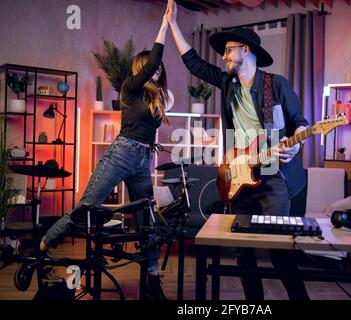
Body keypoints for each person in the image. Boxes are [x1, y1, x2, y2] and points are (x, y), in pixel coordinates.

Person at [166, 2, 310, 300]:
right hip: (239, 176)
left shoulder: (276, 85)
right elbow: (193, 63)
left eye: (228, 49)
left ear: (245, 50)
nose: (223, 55)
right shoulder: (227, 81)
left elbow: (301, 124)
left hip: (273, 177)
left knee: (279, 249)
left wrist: (296, 147)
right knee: (243, 250)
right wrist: (172, 25)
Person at [38, 1, 173, 300]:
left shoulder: (157, 98)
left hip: (142, 159)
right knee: (87, 207)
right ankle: (46, 243)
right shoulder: (129, 88)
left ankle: (152, 278)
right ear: (141, 69)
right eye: (152, 66)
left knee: (146, 220)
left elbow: (157, 107)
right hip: (122, 153)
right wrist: (165, 24)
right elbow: (153, 63)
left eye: (160, 68)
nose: (157, 70)